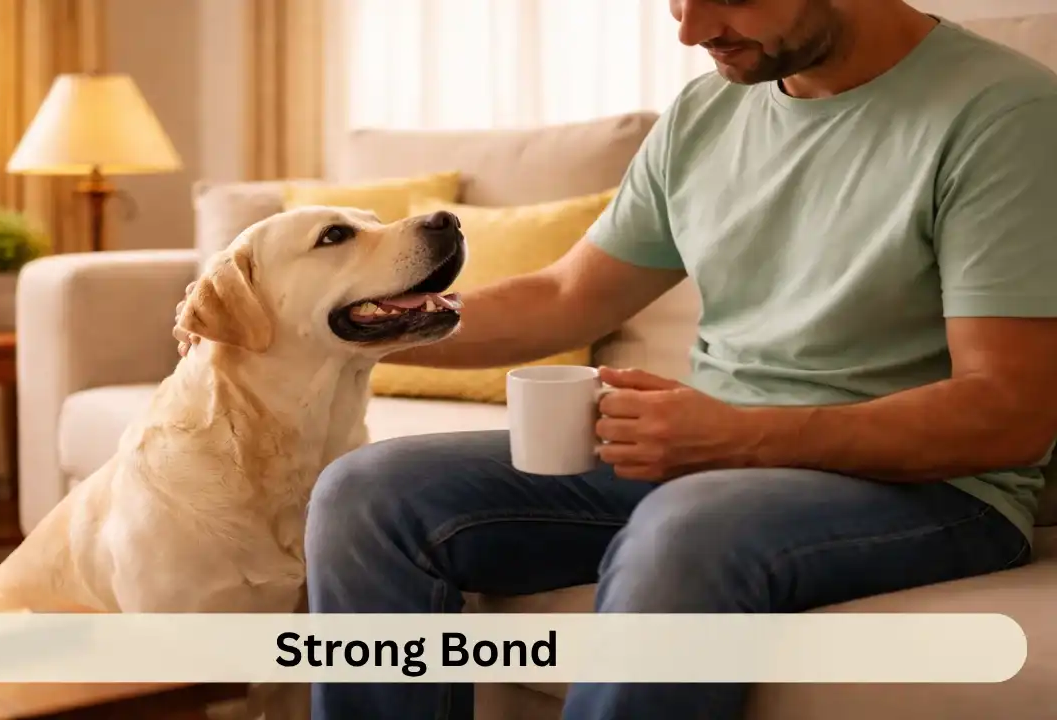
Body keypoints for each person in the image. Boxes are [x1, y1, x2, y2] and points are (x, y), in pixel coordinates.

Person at [174, 1, 1057, 717]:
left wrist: (738, 439)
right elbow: (567, 297)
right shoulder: (711, 109)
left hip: (934, 489)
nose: (691, 28)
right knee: (370, 494)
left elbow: (1009, 410)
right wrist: (337, 326)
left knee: (693, 526)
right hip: (714, 455)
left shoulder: (1002, 116)